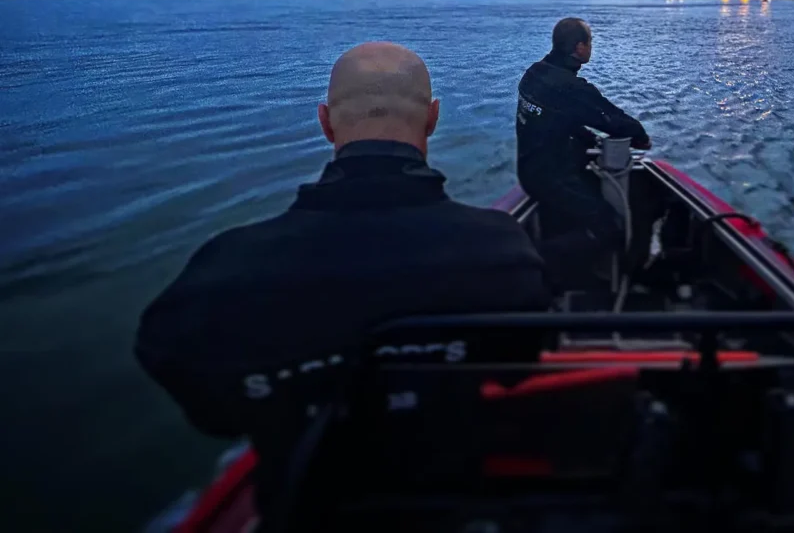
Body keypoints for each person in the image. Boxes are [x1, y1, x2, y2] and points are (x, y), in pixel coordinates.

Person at [136, 42, 551, 508]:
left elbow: (206, 406)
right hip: (448, 504)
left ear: (325, 121)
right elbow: (517, 369)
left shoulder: (222, 272)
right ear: (433, 118)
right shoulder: (501, 250)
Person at [516, 18, 651, 290]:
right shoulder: (571, 87)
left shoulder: (534, 73)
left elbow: (559, 118)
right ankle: (531, 261)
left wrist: (588, 138)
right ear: (579, 48)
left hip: (529, 168)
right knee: (609, 228)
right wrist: (641, 137)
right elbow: (612, 118)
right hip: (553, 178)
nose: (591, 48)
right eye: (590, 43)